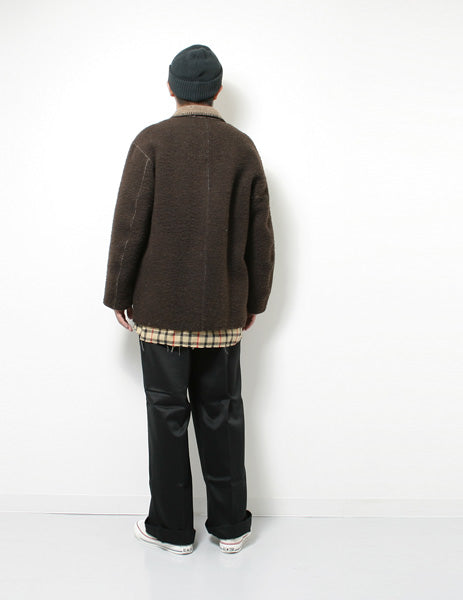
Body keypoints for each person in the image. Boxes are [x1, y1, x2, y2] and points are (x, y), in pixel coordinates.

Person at [103, 44, 275, 554]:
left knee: (166, 416)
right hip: (221, 308)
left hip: (160, 309)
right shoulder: (242, 148)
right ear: (217, 90)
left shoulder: (150, 143)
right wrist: (254, 300)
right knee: (222, 414)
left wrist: (118, 293)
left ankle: (172, 530)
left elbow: (129, 227)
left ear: (171, 88)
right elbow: (261, 236)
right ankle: (231, 527)